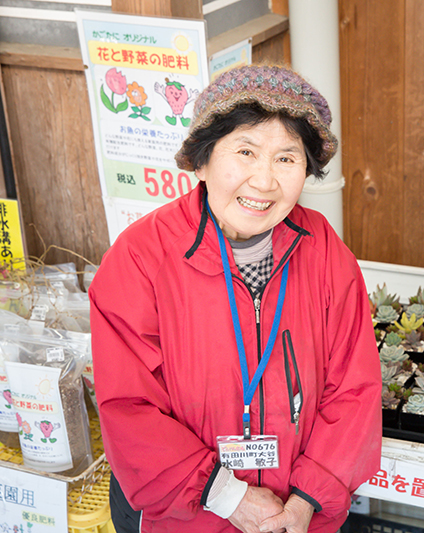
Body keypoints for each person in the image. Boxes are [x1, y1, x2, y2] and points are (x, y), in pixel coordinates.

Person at [89, 64, 382, 533]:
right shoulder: (141, 258)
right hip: (184, 514)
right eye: (246, 151)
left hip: (295, 516)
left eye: (287, 158)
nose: (265, 181)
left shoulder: (324, 251)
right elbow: (129, 407)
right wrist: (229, 497)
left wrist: (308, 498)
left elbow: (354, 388)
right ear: (201, 161)